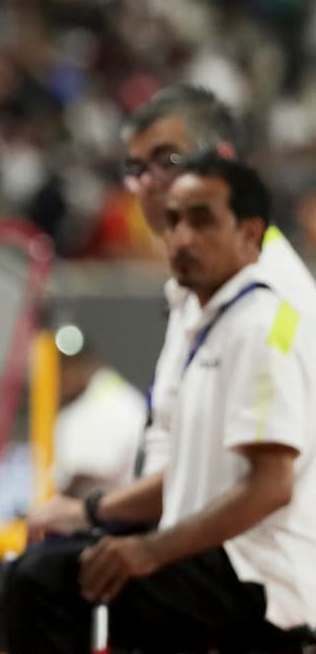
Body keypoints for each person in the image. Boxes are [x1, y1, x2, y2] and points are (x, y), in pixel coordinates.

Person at [3, 154, 316, 653]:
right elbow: (191, 479)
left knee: (43, 581)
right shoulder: (211, 324)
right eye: (173, 222)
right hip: (213, 560)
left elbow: (271, 486)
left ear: (250, 235)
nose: (182, 238)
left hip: (260, 577)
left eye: (202, 220)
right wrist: (97, 517)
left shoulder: (266, 326)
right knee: (57, 567)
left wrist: (148, 549)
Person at [26, 85, 316, 538]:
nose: (149, 185)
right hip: (193, 544)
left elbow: (252, 485)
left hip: (250, 568)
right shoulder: (199, 289)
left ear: (220, 161)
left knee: (46, 575)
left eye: (167, 162)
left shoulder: (271, 303)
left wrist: (109, 523)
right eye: (137, 169)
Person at [47, 321, 147, 499]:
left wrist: (48, 507)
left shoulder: (105, 403)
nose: (60, 376)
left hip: (113, 518)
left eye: (67, 366)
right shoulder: (107, 392)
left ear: (85, 363)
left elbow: (83, 474)